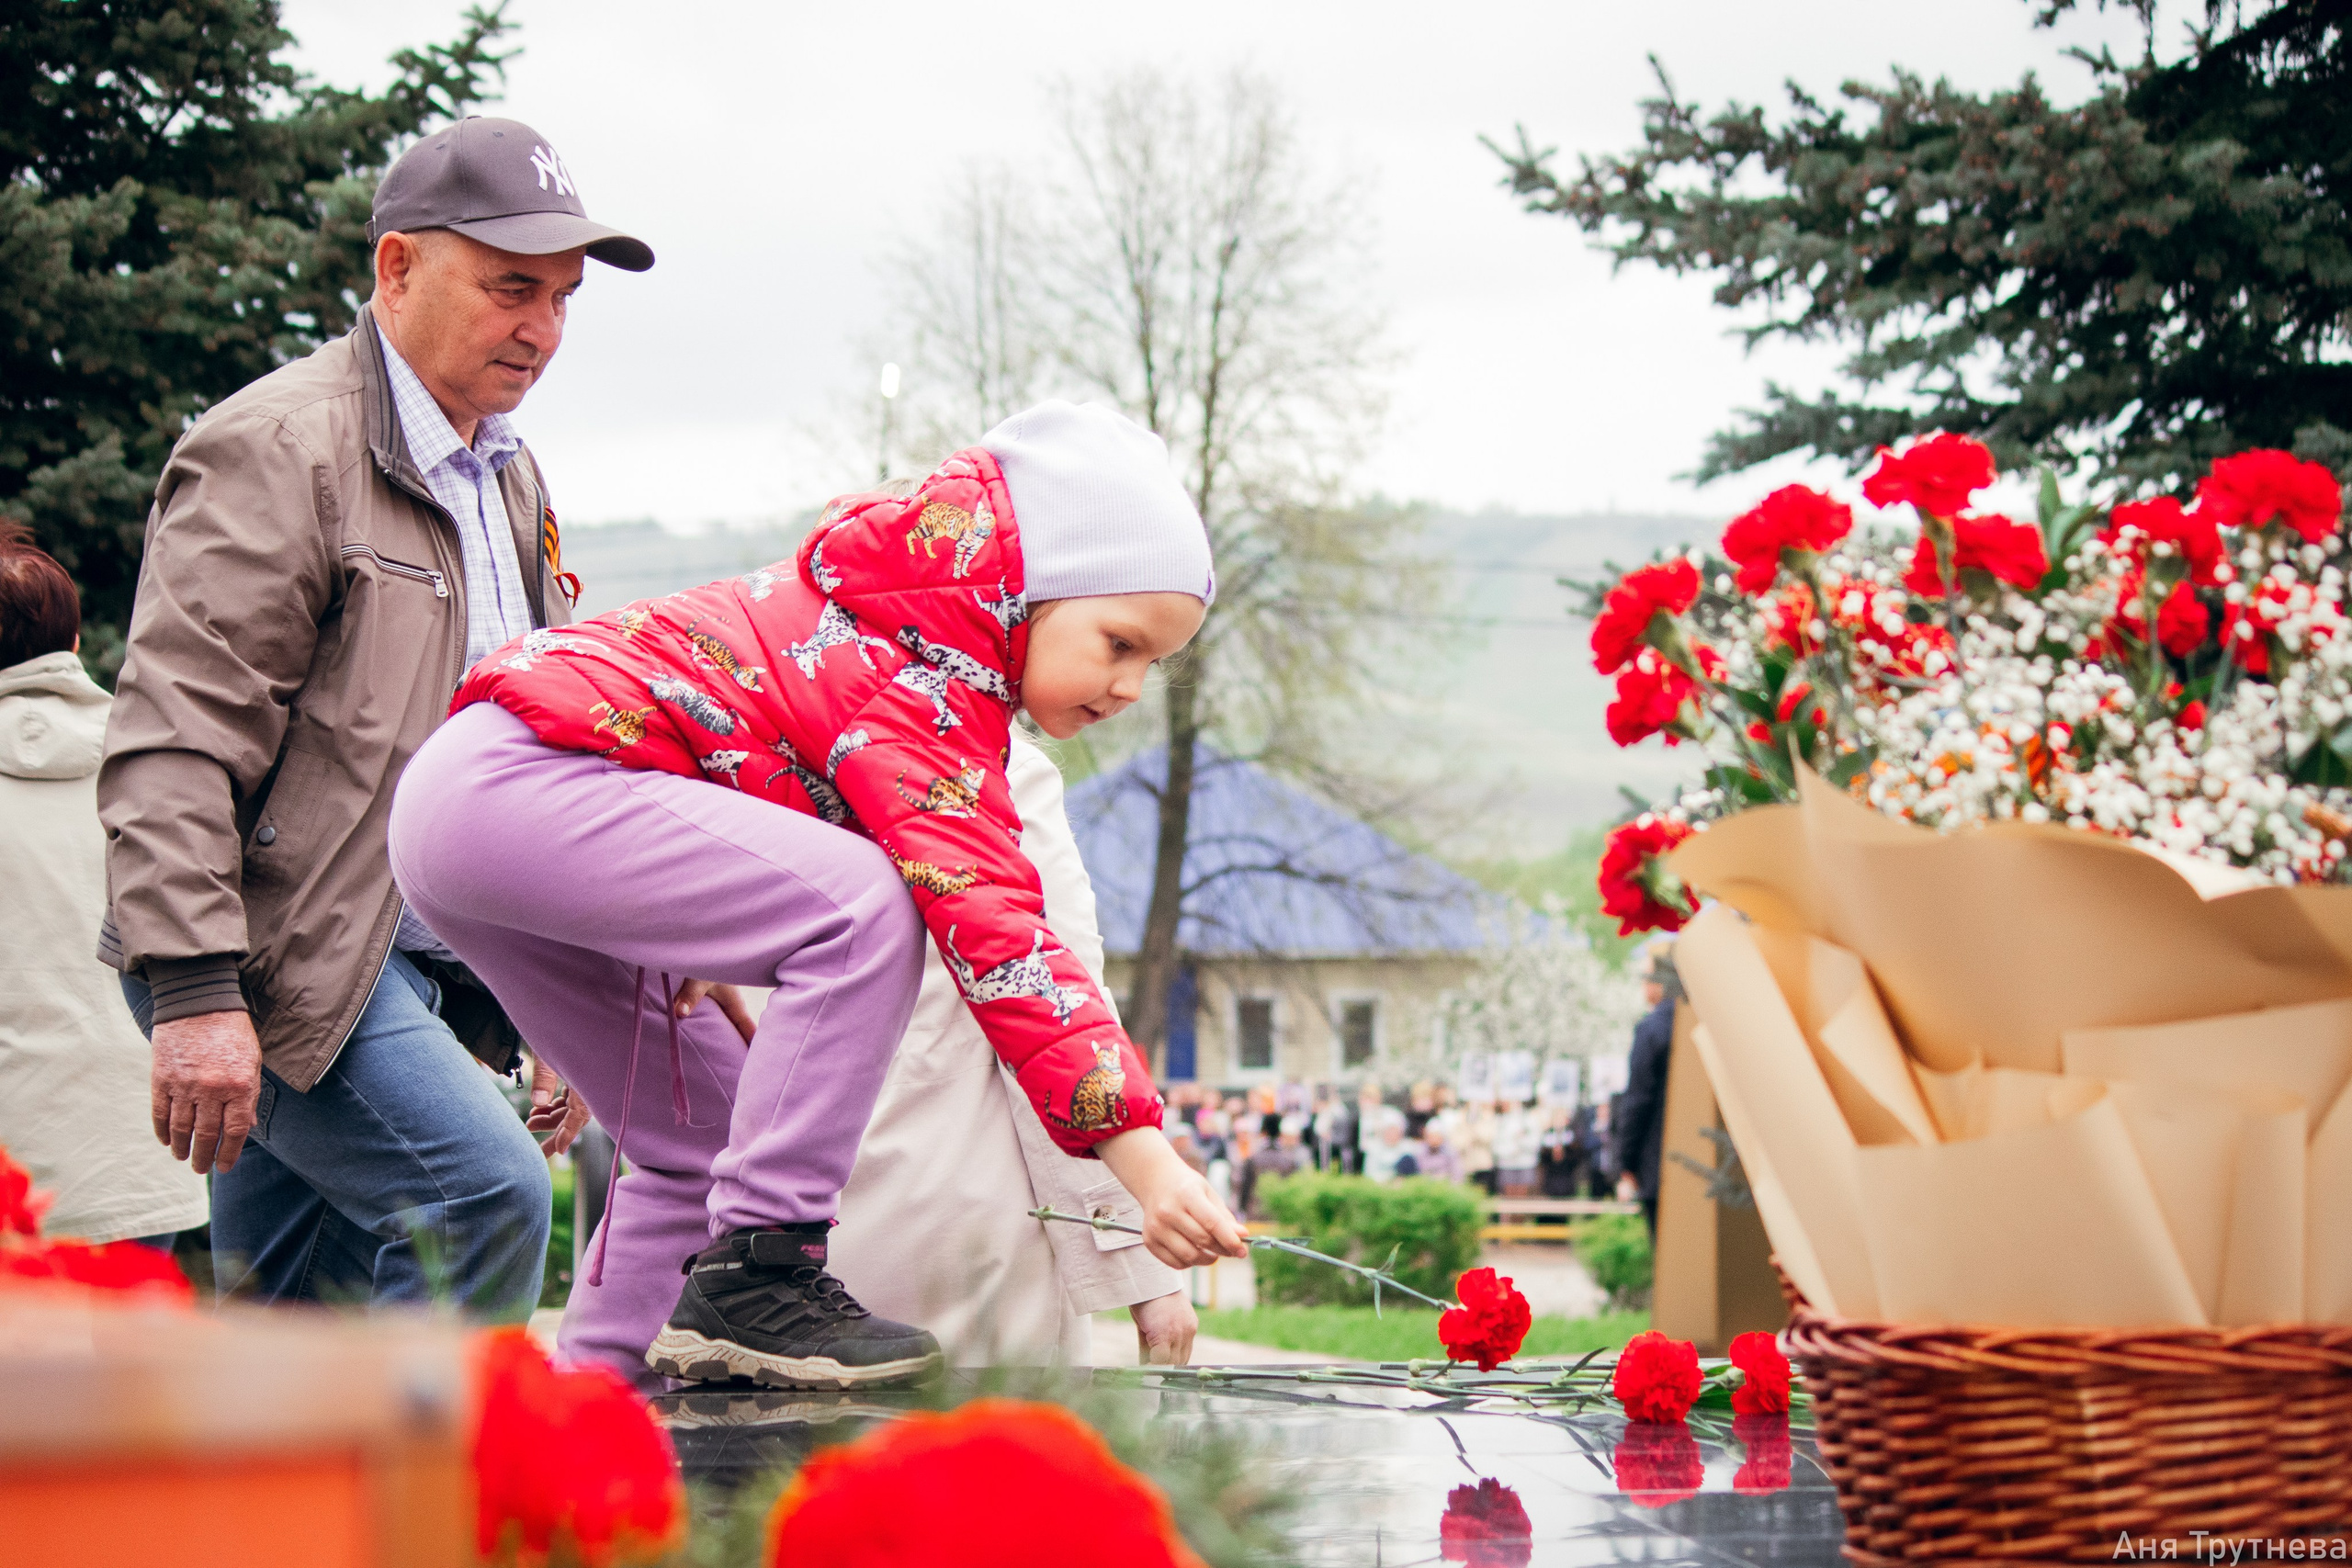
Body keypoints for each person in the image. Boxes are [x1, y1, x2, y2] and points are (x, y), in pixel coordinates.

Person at [388, 400, 1250, 1389]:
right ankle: (764, 1265)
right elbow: (1008, 946)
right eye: (1118, 643)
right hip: (514, 785)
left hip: (487, 812)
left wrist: (683, 929)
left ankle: (593, 1418)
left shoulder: (875, 639)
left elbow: (708, 745)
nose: (1132, 686)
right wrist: (1144, 1165)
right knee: (864, 907)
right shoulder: (918, 689)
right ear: (1031, 594)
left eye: (1157, 665)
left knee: (698, 1137)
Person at [96, 118, 654, 1318]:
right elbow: (175, 734)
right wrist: (194, 993)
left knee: (282, 1336)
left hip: (419, 969)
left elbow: (520, 756)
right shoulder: (278, 447)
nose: (543, 330)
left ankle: (281, 1508)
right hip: (280, 959)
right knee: (484, 1195)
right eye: (513, 289)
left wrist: (547, 991)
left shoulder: (509, 476)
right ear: (396, 268)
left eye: (562, 299)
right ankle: (422, 1508)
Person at [821, 734, 1194, 1370]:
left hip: (760, 1248)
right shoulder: (995, 767)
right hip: (957, 1231)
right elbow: (1057, 1012)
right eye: (1118, 646)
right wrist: (1141, 1266)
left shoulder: (747, 739)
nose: (1127, 691)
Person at [0, 527, 209, 1250]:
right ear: (77, 641)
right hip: (142, 1149)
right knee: (127, 1361)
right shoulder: (155, 763)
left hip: (14, 1172)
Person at [1613, 946, 1680, 1237]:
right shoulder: (1703, 1019)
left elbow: (1638, 1099)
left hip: (1658, 1163)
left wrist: (1626, 1160)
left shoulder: (1653, 1028)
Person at [1235, 1115, 1306, 1220]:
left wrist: (1242, 1209)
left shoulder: (1253, 1159)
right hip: (1280, 1215)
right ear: (1280, 1132)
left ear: (1263, 1131)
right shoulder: (1290, 1161)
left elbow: (1244, 1189)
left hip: (1256, 1214)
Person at [1493, 1099, 1541, 1198]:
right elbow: (1496, 1144)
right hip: (1506, 1164)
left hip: (1525, 1164)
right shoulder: (1502, 1120)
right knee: (1508, 1198)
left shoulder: (1530, 1119)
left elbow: (1535, 1142)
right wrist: (1510, 1151)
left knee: (1523, 1199)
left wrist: (1521, 1142)